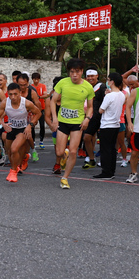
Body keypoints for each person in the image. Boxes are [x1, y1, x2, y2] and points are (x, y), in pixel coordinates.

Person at [48, 59, 96, 189]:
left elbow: (91, 106)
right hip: (63, 121)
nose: (74, 74)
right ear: (69, 72)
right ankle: (64, 155)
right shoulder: (63, 83)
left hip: (78, 123)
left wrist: (87, 118)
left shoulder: (87, 87)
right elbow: (53, 101)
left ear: (82, 72)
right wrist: (55, 118)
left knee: (74, 151)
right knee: (59, 152)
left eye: (77, 72)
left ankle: (65, 178)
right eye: (72, 72)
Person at [0, 82, 41, 182]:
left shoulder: (26, 103)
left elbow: (38, 113)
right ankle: (22, 160)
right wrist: (4, 124)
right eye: (10, 94)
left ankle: (13, 171)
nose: (13, 97)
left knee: (14, 149)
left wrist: (30, 125)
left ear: (20, 93)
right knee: (9, 152)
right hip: (11, 128)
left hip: (23, 129)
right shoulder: (5, 102)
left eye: (15, 94)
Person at [92, 72, 126, 180]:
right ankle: (111, 170)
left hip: (107, 124)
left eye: (108, 79)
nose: (107, 81)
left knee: (105, 149)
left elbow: (101, 110)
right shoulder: (121, 94)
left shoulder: (109, 96)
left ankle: (106, 171)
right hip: (116, 124)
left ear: (112, 81)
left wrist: (106, 97)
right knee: (112, 149)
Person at [32, 72, 48, 149]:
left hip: (41, 109)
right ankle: (33, 141)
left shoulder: (42, 86)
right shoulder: (31, 87)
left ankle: (41, 141)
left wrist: (38, 97)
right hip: (33, 109)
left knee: (42, 125)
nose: (36, 81)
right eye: (35, 79)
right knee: (32, 125)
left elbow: (46, 94)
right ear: (32, 79)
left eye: (37, 79)